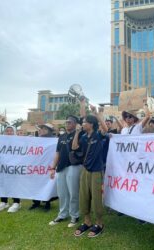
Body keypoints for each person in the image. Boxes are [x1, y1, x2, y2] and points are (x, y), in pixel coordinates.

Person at [72, 100, 108, 238]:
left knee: (96, 198)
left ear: (91, 124)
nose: (82, 124)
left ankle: (99, 223)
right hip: (85, 171)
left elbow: (105, 129)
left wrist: (96, 114)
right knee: (84, 197)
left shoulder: (97, 135)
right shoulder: (83, 137)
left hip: (96, 171)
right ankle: (87, 222)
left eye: (85, 122)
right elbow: (74, 147)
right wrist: (76, 133)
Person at [48, 115, 83, 228]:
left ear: (75, 124)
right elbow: (57, 153)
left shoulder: (79, 134)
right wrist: (53, 167)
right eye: (66, 122)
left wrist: (78, 131)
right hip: (61, 167)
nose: (67, 124)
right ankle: (62, 214)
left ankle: (74, 215)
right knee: (62, 193)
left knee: (73, 193)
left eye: (70, 122)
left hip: (74, 166)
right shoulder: (61, 137)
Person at [0, 125, 21, 213]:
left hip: (14, 167)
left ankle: (16, 202)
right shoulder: (0, 142)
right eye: (7, 131)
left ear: (14, 132)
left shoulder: (18, 142)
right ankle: (3, 202)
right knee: (3, 184)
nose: (9, 133)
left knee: (14, 184)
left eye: (11, 131)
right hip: (2, 167)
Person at [29, 123, 56, 211]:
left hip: (48, 166)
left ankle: (47, 202)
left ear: (49, 131)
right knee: (36, 184)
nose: (42, 130)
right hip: (38, 167)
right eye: (42, 129)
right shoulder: (37, 140)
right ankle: (36, 202)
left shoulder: (54, 141)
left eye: (45, 129)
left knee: (47, 183)